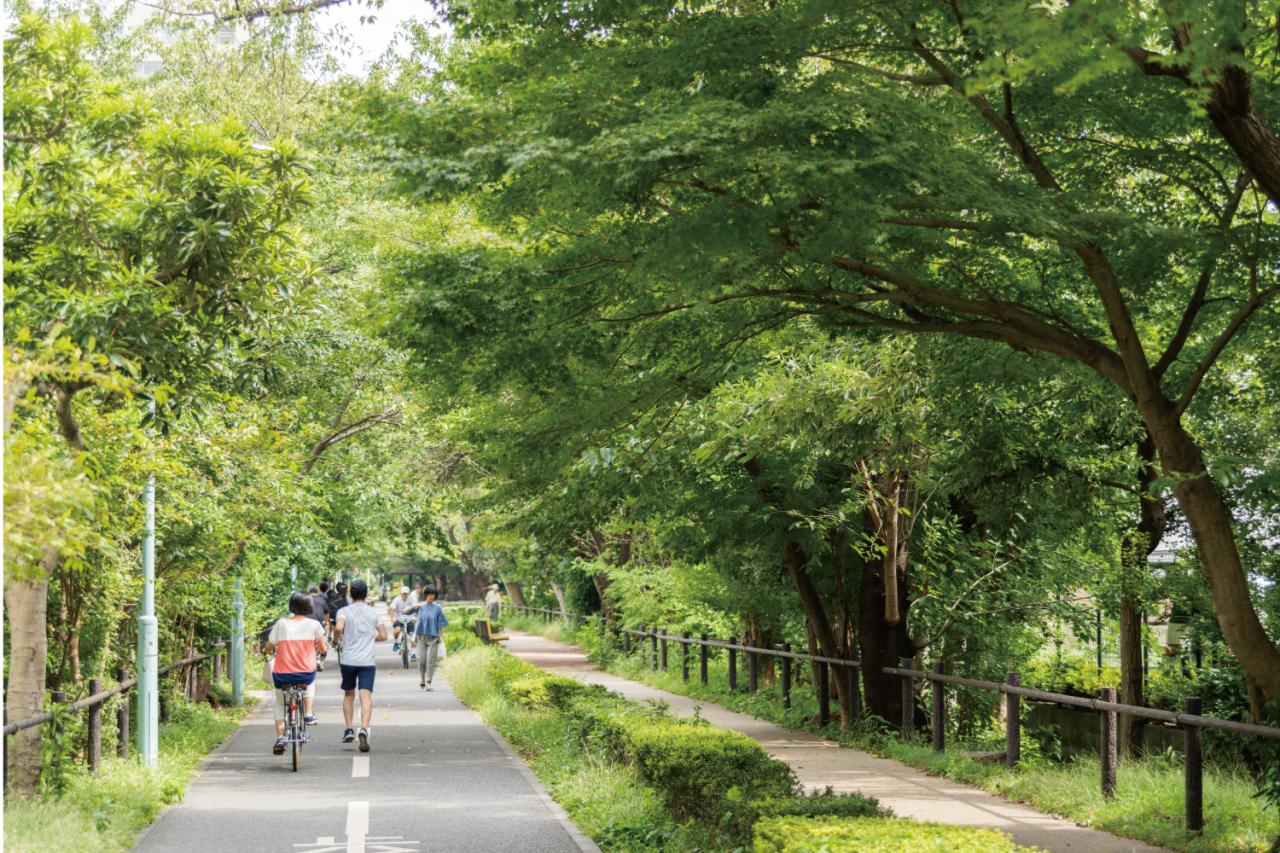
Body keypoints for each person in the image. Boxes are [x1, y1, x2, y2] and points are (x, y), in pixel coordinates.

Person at [264, 591, 327, 754]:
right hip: (305, 673)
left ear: (291, 605)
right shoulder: (314, 625)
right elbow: (323, 648)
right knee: (310, 682)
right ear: (310, 606)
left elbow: (269, 646)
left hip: (282, 674)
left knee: (279, 703)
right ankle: (307, 713)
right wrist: (320, 652)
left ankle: (280, 737)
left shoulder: (281, 624)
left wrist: (266, 650)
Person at [333, 579, 386, 753]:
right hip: (367, 662)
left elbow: (339, 628)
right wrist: (372, 638)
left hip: (348, 660)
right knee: (366, 696)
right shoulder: (373, 613)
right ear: (365, 594)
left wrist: (335, 640)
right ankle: (363, 728)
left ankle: (349, 729)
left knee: (349, 694)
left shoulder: (343, 611)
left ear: (350, 594)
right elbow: (384, 636)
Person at [409, 586, 448, 690]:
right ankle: (422, 677)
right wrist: (413, 606)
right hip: (421, 637)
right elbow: (406, 612)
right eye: (429, 594)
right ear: (425, 595)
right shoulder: (420, 606)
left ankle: (429, 681)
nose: (432, 596)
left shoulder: (438, 608)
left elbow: (441, 623)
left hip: (433, 638)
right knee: (421, 660)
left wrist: (442, 636)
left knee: (430, 661)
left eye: (433, 594)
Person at [308, 584, 330, 670]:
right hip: (318, 625)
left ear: (309, 591)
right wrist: (326, 622)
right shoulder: (321, 600)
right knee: (323, 644)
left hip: (306, 625)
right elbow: (327, 612)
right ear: (317, 591)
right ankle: (321, 661)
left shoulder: (305, 600)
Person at [389, 586, 415, 652]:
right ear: (400, 593)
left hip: (409, 620)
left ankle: (412, 652)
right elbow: (392, 609)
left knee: (412, 636)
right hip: (399, 619)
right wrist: (392, 618)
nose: (405, 595)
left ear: (408, 594)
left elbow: (415, 607)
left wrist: (415, 616)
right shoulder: (396, 599)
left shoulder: (412, 599)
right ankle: (396, 642)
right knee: (397, 630)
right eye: (403, 594)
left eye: (406, 594)